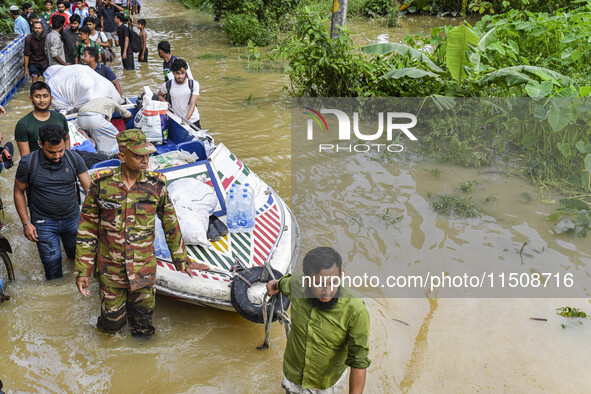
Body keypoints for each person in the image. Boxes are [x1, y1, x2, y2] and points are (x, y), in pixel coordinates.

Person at [74, 129, 208, 337]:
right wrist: (83, 270)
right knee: (112, 324)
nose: (145, 160)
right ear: (122, 156)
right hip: (111, 270)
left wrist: (182, 260)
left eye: (147, 155)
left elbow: (170, 223)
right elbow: (87, 228)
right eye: (138, 156)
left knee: (143, 325)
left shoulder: (156, 185)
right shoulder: (102, 185)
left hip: (143, 268)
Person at [266, 247, 371, 394]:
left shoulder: (355, 310)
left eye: (334, 282)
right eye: (319, 283)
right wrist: (274, 285)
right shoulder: (297, 284)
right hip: (293, 374)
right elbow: (283, 283)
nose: (327, 291)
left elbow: (359, 362)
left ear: (340, 276)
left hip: (326, 385)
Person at [14, 125, 90, 280]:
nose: (57, 156)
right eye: (51, 152)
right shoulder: (28, 163)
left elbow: (90, 190)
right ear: (41, 144)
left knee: (77, 259)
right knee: (53, 269)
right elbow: (18, 192)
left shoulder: (73, 158)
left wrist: (91, 220)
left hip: (72, 220)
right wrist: (26, 223)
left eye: (60, 150)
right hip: (44, 223)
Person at [15, 82, 70, 156]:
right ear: (31, 99)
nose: (42, 100)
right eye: (37, 96)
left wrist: (67, 158)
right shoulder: (23, 124)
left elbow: (66, 139)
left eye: (45, 96)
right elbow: (25, 157)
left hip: (60, 163)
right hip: (38, 165)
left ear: (51, 98)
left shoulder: (60, 118)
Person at [158, 58, 201, 128]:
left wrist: (186, 120)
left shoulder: (193, 84)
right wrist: (164, 101)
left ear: (185, 72)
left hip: (193, 120)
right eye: (177, 73)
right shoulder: (167, 85)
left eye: (182, 73)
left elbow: (193, 104)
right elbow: (159, 95)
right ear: (173, 73)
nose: (180, 76)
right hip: (176, 120)